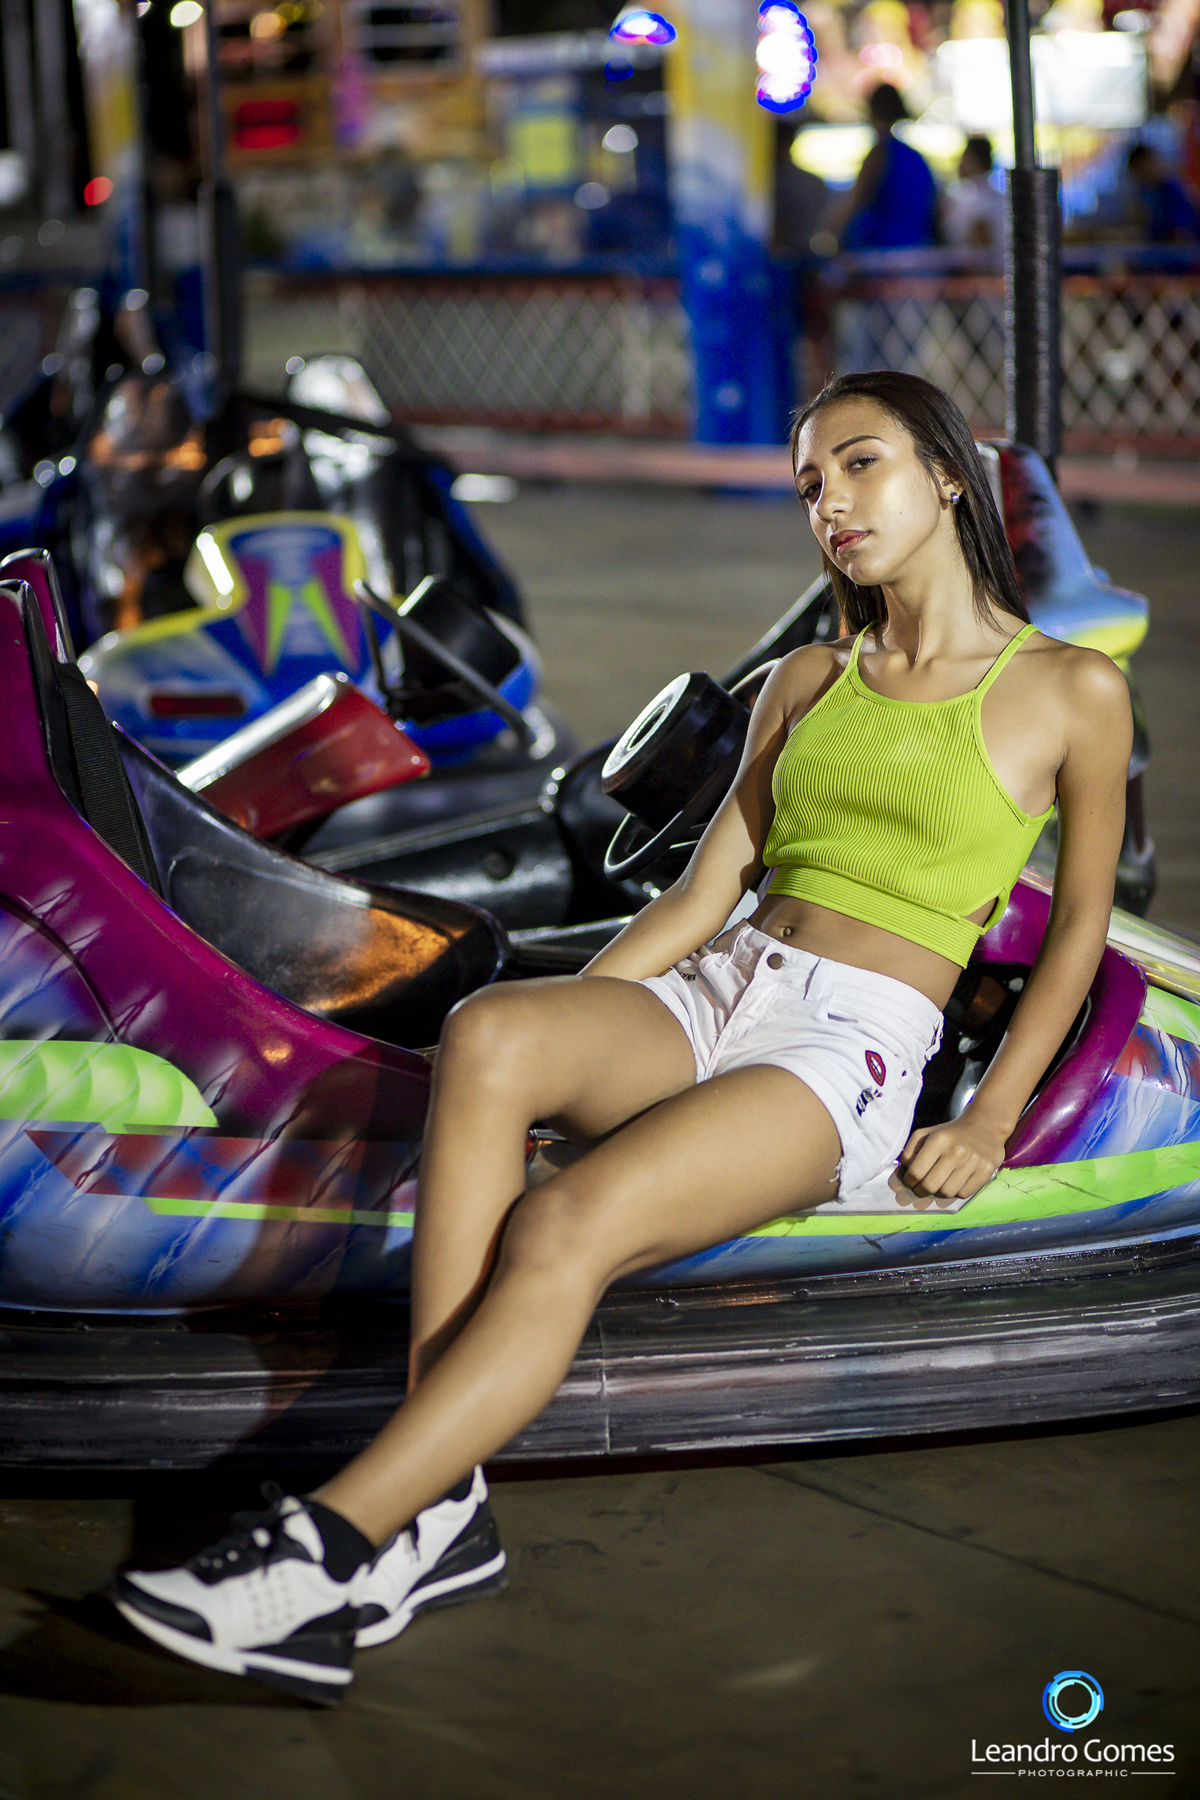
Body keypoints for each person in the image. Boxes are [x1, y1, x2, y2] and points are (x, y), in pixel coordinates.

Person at [110, 371, 1133, 1704]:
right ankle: (436, 1506)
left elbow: (1080, 931)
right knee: (492, 1031)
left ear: (945, 472)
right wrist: (573, 1040)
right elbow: (703, 899)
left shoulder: (1068, 690)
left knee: (560, 1224)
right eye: (809, 485)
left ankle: (334, 1543)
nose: (830, 503)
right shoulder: (808, 680)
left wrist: (990, 1116)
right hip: (720, 985)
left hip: (848, 1046)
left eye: (859, 464)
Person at [828, 83, 938, 251]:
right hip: (919, 249)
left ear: (872, 111)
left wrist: (826, 233)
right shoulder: (915, 157)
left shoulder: (880, 153)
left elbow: (856, 201)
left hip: (884, 253)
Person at [942, 135, 1007, 254]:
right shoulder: (998, 197)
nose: (960, 163)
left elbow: (980, 246)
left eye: (965, 157)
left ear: (976, 160)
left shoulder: (970, 198)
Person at [1124, 143, 1199, 245]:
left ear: (1150, 163)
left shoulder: (1172, 191)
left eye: (1141, 169)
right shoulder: (1145, 192)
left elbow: (1182, 234)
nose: (1139, 176)